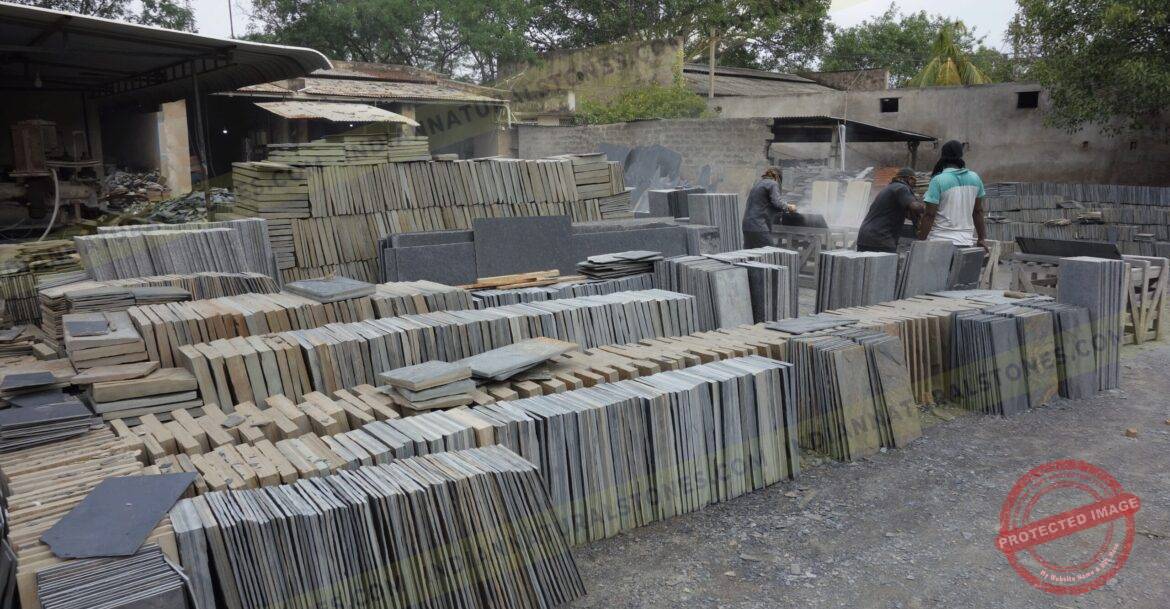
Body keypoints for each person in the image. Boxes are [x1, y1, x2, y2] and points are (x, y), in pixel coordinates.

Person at [917, 140, 989, 251]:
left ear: (943, 156)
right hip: (965, 243)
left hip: (939, 243)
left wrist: (920, 241)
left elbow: (929, 214)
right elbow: (978, 211)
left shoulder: (938, 180)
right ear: (961, 155)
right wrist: (981, 238)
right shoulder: (975, 178)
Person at [856, 167, 923, 253]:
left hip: (865, 237)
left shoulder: (890, 188)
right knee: (886, 266)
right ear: (909, 179)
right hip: (881, 239)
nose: (915, 185)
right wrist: (931, 208)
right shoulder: (902, 187)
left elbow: (907, 214)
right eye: (914, 181)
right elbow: (915, 207)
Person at [742, 167, 796, 248]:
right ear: (777, 177)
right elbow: (777, 202)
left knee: (749, 255)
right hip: (758, 226)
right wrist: (789, 207)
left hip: (747, 226)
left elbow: (765, 204)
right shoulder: (773, 184)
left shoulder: (758, 184)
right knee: (770, 253)